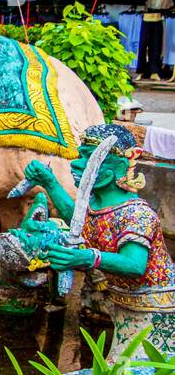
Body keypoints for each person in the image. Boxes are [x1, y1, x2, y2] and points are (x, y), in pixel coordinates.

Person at [22, 123, 175, 358]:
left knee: (139, 374)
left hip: (157, 310)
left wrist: (87, 257)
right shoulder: (96, 203)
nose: (76, 164)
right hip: (124, 304)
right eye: (79, 156)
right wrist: (50, 182)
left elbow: (135, 265)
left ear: (116, 170)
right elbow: (79, 221)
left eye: (87, 158)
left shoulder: (135, 214)